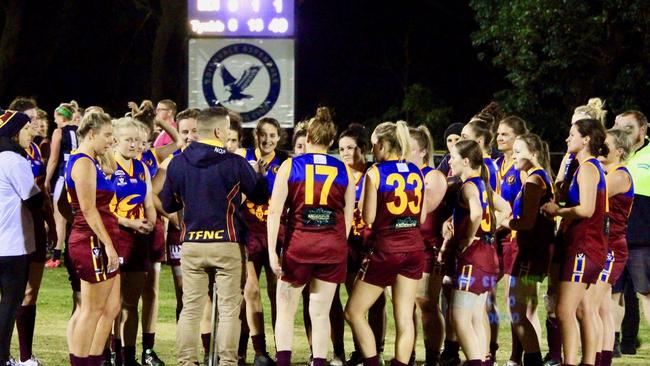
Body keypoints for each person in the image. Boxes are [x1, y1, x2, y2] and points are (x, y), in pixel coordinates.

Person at [159, 106, 269, 366]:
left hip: (193, 243)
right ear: (219, 131)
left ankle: (187, 362)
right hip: (226, 242)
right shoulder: (234, 162)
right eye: (228, 128)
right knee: (230, 309)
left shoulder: (179, 161)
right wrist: (261, 175)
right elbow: (259, 196)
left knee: (191, 308)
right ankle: (228, 362)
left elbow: (168, 203)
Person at [266, 107, 355, 366]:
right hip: (332, 247)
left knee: (285, 310)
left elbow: (275, 212)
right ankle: (319, 361)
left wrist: (272, 251)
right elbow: (348, 217)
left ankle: (283, 362)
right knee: (320, 313)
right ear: (330, 139)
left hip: (300, 246)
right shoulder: (344, 170)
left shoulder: (290, 165)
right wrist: (338, 244)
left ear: (308, 137)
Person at [344, 121, 426, 366]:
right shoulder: (416, 170)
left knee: (354, 312)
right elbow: (421, 217)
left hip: (386, 249)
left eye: (373, 145)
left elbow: (368, 217)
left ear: (381, 144)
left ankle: (371, 362)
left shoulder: (376, 172)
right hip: (413, 247)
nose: (372, 150)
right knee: (404, 317)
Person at [541, 118, 610, 366]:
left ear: (586, 139)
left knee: (563, 310)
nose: (567, 139)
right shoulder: (581, 168)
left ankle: (571, 362)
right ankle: (588, 362)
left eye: (572, 134)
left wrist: (557, 211)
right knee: (582, 311)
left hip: (584, 247)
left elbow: (587, 209)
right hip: (582, 246)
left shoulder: (590, 168)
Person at [445, 139, 510, 366]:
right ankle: (483, 360)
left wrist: (471, 235)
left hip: (474, 256)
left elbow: (475, 213)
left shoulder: (469, 186)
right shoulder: (483, 184)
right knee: (475, 316)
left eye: (452, 157)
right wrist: (489, 229)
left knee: (460, 317)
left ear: (465, 160)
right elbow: (506, 209)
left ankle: (475, 362)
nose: (449, 161)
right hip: (488, 253)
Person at [65, 112, 121, 366]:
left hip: (102, 238)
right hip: (91, 240)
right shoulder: (83, 163)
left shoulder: (93, 160)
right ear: (91, 134)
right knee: (91, 310)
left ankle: (94, 361)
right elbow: (88, 209)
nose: (112, 140)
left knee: (110, 308)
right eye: (107, 135)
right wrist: (108, 245)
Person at [236, 118, 288, 366]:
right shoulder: (242, 156)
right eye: (263, 135)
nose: (267, 140)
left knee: (277, 291)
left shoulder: (285, 161)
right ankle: (258, 351)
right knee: (250, 291)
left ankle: (282, 349)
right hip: (248, 232)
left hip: (275, 233)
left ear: (279, 137)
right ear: (255, 136)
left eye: (272, 135)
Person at [335, 124, 387, 366]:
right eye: (341, 148)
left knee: (376, 303)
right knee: (352, 301)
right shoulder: (338, 175)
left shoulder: (374, 173)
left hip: (371, 245)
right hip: (348, 246)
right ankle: (360, 350)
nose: (345, 153)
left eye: (351, 148)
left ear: (363, 149)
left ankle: (378, 348)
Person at [10, 100, 57, 366]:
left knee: (31, 292)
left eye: (37, 119)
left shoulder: (36, 151)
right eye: (29, 120)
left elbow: (43, 194)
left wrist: (49, 222)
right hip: (13, 229)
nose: (35, 124)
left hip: (35, 227)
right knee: (12, 293)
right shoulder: (9, 156)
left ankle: (27, 357)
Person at [502, 134, 556, 366]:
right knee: (519, 309)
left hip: (530, 252)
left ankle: (533, 360)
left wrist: (505, 222)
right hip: (532, 250)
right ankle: (531, 358)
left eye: (518, 150)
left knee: (516, 310)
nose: (513, 155)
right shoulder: (536, 177)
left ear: (533, 154)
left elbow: (527, 222)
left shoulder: (534, 180)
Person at [109, 117, 157, 365]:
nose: (134, 145)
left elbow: (149, 202)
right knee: (112, 304)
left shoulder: (142, 167)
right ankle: (110, 354)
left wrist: (150, 223)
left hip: (138, 240)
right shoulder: (107, 165)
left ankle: (129, 356)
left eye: (138, 141)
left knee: (132, 302)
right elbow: (104, 208)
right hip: (116, 238)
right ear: (115, 140)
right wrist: (129, 223)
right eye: (129, 140)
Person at [0, 110, 43, 366]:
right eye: (27, 129)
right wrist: (43, 190)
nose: (32, 133)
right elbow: (34, 200)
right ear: (15, 132)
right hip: (11, 244)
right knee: (10, 304)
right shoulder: (14, 161)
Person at [593, 128, 634, 366]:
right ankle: (601, 357)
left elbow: (591, 194)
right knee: (601, 308)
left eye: (604, 143)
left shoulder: (619, 175)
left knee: (594, 306)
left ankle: (600, 359)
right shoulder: (606, 171)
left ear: (619, 150)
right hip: (600, 244)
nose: (599, 147)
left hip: (612, 248)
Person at [407, 125, 447, 366]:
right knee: (404, 306)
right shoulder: (403, 173)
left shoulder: (432, 176)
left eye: (408, 149)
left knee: (425, 303)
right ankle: (407, 354)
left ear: (422, 152)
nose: (403, 154)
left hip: (426, 247)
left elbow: (424, 210)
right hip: (404, 246)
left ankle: (433, 355)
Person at [611, 110, 649, 354]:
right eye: (619, 128)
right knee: (611, 294)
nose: (623, 134)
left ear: (643, 130)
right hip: (614, 237)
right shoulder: (614, 155)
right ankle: (610, 345)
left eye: (629, 129)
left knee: (646, 294)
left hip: (643, 239)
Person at [494, 116, 529, 366]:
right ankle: (488, 349)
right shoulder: (496, 164)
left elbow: (524, 206)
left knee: (514, 301)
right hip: (494, 237)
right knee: (482, 294)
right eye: (498, 134)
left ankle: (518, 356)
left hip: (513, 238)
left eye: (504, 134)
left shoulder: (523, 169)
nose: (499, 138)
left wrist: (504, 220)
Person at [44, 103, 78, 268]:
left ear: (61, 116)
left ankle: (56, 256)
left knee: (60, 218)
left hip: (63, 177)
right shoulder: (79, 131)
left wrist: (46, 180)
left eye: (56, 116)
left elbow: (53, 159)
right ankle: (74, 252)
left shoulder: (58, 132)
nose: (53, 119)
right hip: (78, 177)